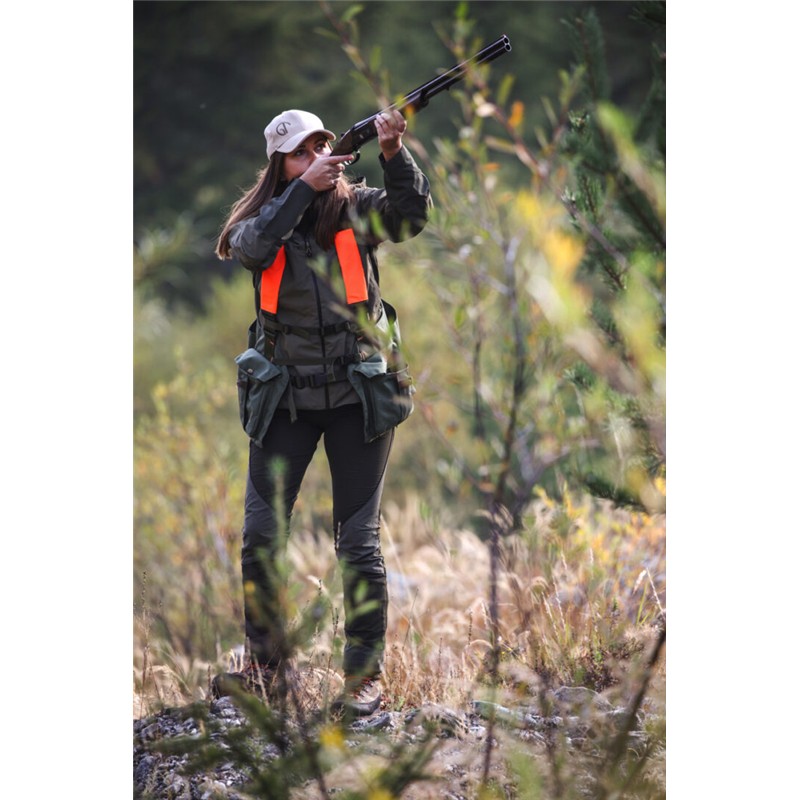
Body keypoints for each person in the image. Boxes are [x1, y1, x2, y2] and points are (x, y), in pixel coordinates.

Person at [212, 108, 432, 715]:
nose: (314, 159)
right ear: (279, 164)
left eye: (320, 148)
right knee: (262, 536)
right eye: (300, 153)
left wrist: (394, 153)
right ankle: (265, 669)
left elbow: (411, 217)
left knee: (356, 543)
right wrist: (301, 194)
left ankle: (364, 682)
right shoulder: (259, 222)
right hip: (286, 401)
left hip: (358, 398)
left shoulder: (356, 208)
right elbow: (252, 247)